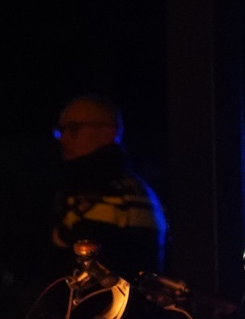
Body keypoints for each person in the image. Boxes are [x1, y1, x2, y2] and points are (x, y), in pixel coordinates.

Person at [52, 95, 167, 277]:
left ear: (108, 134)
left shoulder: (117, 194)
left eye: (74, 129)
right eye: (60, 130)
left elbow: (83, 279)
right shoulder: (84, 187)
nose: (63, 139)